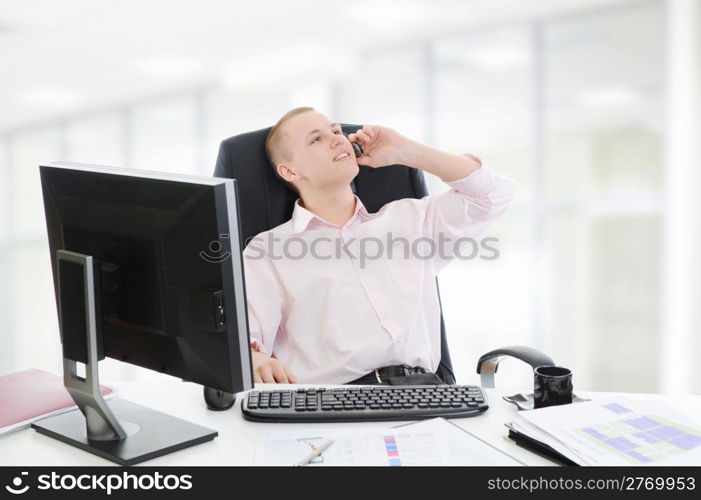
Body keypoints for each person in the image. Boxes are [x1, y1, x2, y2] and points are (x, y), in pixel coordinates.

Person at [244, 106, 517, 385]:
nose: (338, 139)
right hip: (332, 402)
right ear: (289, 170)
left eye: (336, 131)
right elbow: (246, 344)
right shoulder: (268, 251)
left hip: (424, 395)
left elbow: (495, 193)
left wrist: (404, 150)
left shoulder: (411, 220)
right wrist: (255, 359)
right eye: (316, 139)